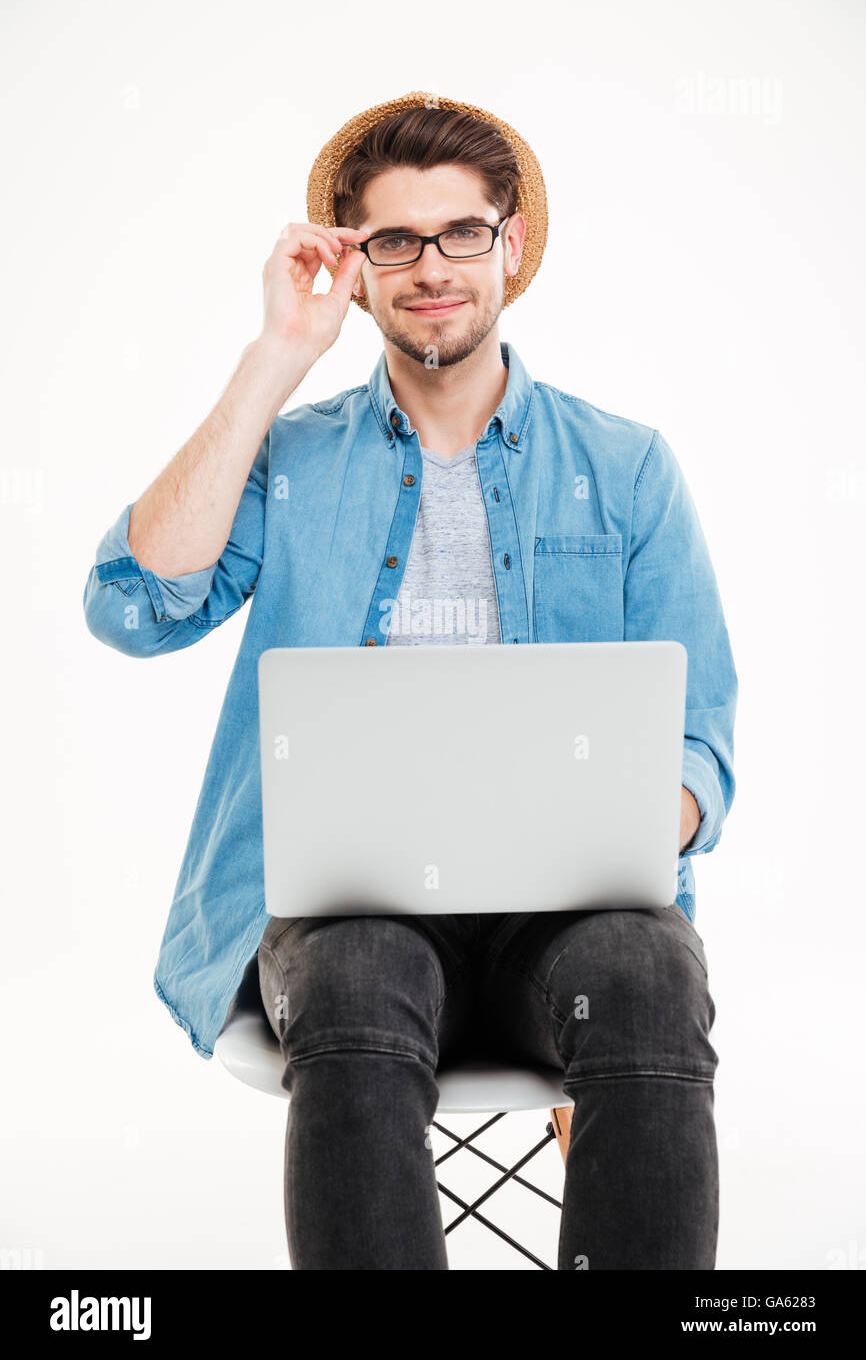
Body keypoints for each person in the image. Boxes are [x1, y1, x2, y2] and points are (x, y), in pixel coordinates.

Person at [83, 91, 737, 1270]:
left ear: (511, 244)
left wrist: (632, 820)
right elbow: (133, 606)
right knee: (356, 966)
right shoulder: (287, 462)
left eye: (460, 233)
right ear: (356, 265)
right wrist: (276, 356)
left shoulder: (626, 469)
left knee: (644, 966)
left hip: (571, 932)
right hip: (356, 927)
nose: (430, 267)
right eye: (393, 240)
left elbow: (700, 752)